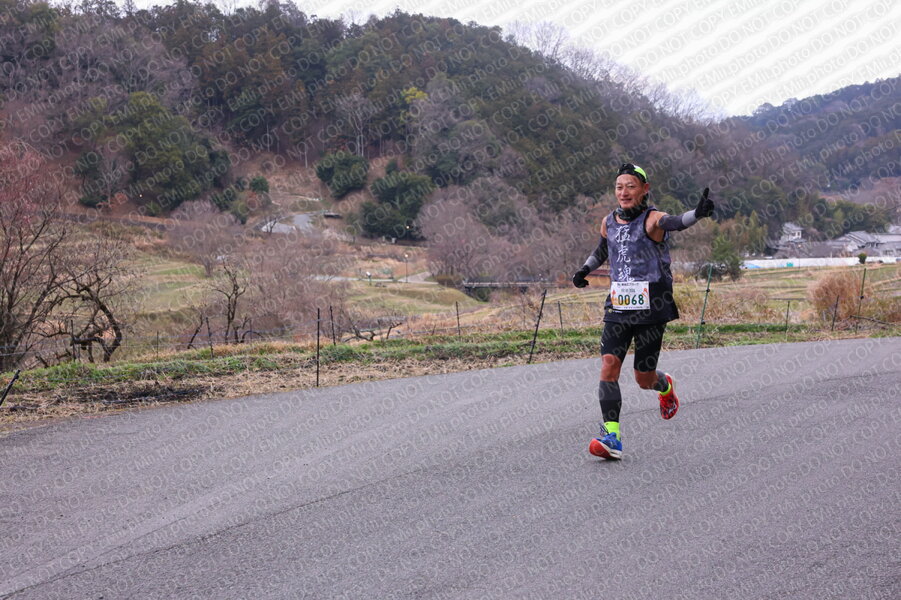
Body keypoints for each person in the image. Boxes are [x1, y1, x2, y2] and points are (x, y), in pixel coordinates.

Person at [572, 163, 714, 460]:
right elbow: (603, 249)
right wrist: (584, 269)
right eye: (619, 187)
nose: (624, 192)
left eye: (631, 186)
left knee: (643, 378)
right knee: (609, 365)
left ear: (644, 189)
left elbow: (676, 222)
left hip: (652, 308)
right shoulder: (608, 221)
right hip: (618, 307)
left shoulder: (653, 219)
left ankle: (665, 386)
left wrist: (697, 214)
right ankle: (612, 437)